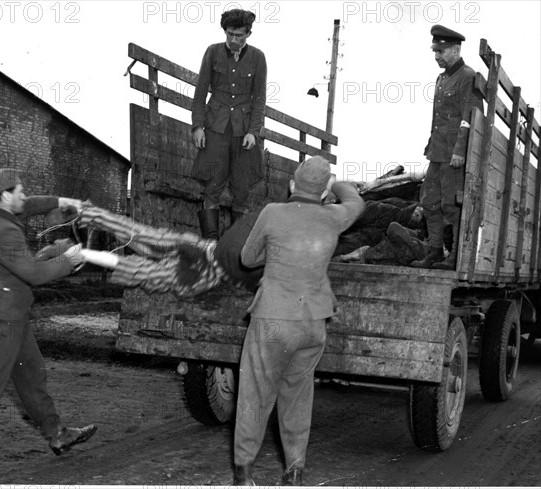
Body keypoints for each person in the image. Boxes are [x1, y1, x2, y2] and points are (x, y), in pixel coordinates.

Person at [0, 168, 96, 475]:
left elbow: (32, 204)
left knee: (32, 374)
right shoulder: (1, 231)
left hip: (11, 312)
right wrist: (66, 261)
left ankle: (56, 433)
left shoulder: (0, 212)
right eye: (20, 191)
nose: (24, 197)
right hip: (1, 317)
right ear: (6, 195)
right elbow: (32, 273)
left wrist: (67, 201)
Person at [232, 156, 365, 486]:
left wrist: (273, 253)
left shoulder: (272, 213)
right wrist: (333, 184)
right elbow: (356, 201)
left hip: (273, 321)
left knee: (255, 395)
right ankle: (294, 472)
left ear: (292, 185)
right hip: (312, 324)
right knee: (298, 396)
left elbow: (247, 259)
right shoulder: (333, 217)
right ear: (322, 193)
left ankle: (244, 474)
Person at [191, 8, 267, 238]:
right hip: (216, 129)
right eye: (230, 34)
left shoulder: (258, 58)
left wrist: (253, 132)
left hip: (243, 133)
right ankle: (211, 244)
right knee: (212, 187)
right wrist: (197, 126)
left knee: (241, 189)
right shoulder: (212, 52)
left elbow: (259, 99)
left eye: (240, 36)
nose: (234, 40)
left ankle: (234, 246)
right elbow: (201, 91)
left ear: (248, 34)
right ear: (225, 32)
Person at [412, 25, 484, 269]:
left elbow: (470, 118)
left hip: (454, 154)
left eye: (441, 51)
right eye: (435, 51)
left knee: (452, 205)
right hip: (437, 152)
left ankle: (455, 256)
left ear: (455, 49)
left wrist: (460, 151)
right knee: (429, 200)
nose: (436, 56)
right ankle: (434, 251)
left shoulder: (467, 76)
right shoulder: (442, 78)